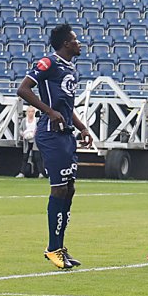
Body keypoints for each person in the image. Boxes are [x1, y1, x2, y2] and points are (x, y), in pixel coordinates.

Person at [16, 24, 94, 270]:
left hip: (67, 134)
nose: (79, 43)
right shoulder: (48, 63)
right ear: (66, 44)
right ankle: (52, 248)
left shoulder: (69, 67)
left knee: (69, 189)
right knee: (59, 189)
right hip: (51, 134)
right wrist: (48, 112)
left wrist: (82, 127)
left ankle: (59, 247)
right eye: (75, 39)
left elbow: (67, 109)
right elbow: (23, 89)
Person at [16, 106, 42, 178]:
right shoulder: (24, 120)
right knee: (25, 156)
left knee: (37, 156)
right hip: (27, 141)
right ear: (27, 112)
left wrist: (35, 133)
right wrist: (22, 134)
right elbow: (20, 129)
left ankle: (40, 173)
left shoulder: (37, 120)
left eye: (32, 111)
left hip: (35, 140)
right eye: (29, 111)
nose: (30, 113)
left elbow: (39, 128)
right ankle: (22, 173)